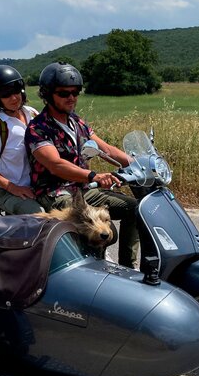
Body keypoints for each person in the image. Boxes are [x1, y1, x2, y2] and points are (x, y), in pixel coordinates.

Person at [25, 62, 140, 268]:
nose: (71, 97)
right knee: (91, 221)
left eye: (75, 92)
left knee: (136, 209)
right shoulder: (38, 128)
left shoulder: (77, 123)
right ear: (48, 95)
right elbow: (56, 164)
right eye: (63, 93)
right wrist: (93, 176)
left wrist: (139, 164)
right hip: (56, 192)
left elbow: (105, 149)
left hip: (83, 190)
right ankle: (87, 269)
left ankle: (128, 267)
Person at [0, 65, 43, 214]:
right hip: (8, 191)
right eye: (6, 94)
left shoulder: (32, 114)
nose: (14, 97)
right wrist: (12, 188)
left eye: (15, 90)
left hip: (37, 186)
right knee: (38, 215)